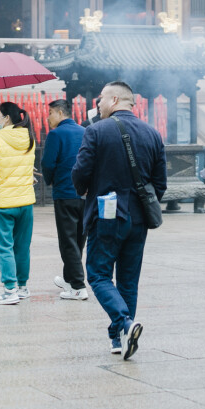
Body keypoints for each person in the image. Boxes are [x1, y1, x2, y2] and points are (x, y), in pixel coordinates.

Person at [72, 80, 167, 360]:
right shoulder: (152, 134)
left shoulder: (96, 131)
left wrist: (84, 190)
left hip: (106, 213)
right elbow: (160, 183)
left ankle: (124, 324)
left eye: (100, 99)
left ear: (114, 100)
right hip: (138, 218)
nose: (97, 104)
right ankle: (119, 338)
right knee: (128, 279)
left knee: (99, 274)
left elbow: (80, 173)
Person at [0, 101, 37, 304]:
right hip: (25, 202)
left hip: (2, 203)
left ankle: (9, 289)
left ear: (6, 118)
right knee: (22, 247)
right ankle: (22, 287)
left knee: (4, 247)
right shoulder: (29, 139)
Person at [41, 98, 88, 300]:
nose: (48, 118)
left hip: (65, 193)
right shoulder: (85, 132)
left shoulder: (56, 134)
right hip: (85, 194)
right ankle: (69, 278)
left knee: (68, 240)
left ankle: (78, 286)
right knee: (79, 239)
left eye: (50, 113)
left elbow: (48, 163)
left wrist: (50, 180)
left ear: (60, 113)